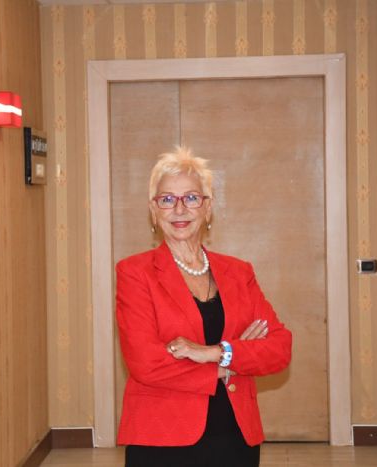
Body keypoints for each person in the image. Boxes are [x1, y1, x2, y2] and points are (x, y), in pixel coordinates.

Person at [115, 146, 293, 467]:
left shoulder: (239, 272)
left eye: (191, 198)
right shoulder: (135, 272)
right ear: (154, 211)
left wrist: (214, 352)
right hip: (162, 436)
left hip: (235, 434)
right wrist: (230, 365)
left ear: (208, 208)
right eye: (167, 199)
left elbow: (279, 348)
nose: (179, 209)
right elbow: (145, 363)